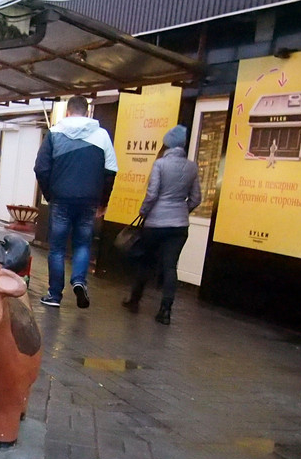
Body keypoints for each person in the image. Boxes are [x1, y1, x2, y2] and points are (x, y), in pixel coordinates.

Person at [33, 95, 118, 308]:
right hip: (89, 200)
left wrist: (50, 193)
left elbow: (41, 168)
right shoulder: (102, 135)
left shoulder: (54, 133)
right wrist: (103, 202)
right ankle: (79, 281)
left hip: (61, 198)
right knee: (82, 243)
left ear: (67, 111)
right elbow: (111, 171)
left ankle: (54, 295)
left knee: (57, 248)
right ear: (87, 112)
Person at [122, 124, 201, 325]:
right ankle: (165, 310)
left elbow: (152, 194)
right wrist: (182, 211)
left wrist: (144, 211)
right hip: (179, 226)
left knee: (146, 262)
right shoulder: (192, 167)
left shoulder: (160, 164)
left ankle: (134, 300)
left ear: (167, 144)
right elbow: (196, 198)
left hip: (156, 224)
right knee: (170, 266)